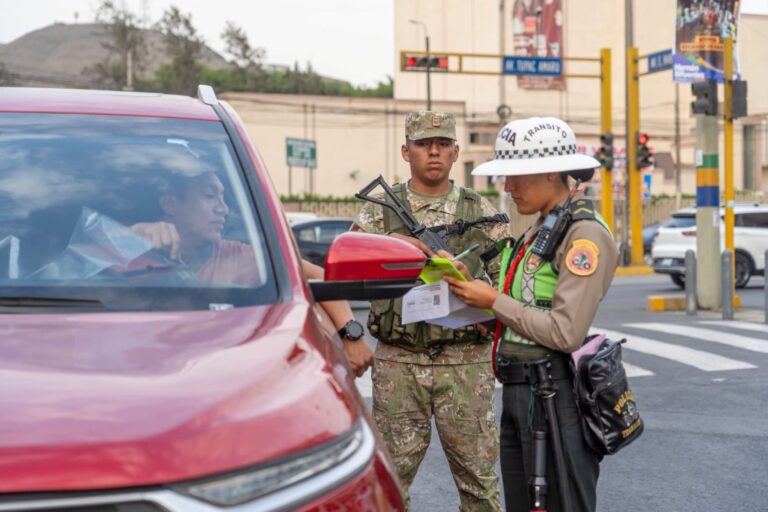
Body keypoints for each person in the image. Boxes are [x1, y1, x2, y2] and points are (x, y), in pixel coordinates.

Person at [443, 116, 619, 512]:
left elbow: (565, 332)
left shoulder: (583, 235)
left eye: (517, 175)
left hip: (554, 396)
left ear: (553, 172)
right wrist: (464, 290)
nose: (508, 187)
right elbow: (522, 311)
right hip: (521, 392)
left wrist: (492, 300)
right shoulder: (539, 230)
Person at [352, 111, 508, 511]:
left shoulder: (481, 211)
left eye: (442, 144)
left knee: (480, 487)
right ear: (406, 151)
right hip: (399, 363)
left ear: (456, 151)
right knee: (388, 484)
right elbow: (350, 272)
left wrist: (468, 283)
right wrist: (393, 247)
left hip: (465, 362)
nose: (433, 151)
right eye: (423, 144)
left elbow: (508, 288)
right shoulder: (378, 213)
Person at [131, 170, 373, 377]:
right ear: (171, 204)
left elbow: (316, 277)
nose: (223, 209)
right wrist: (129, 242)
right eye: (208, 196)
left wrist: (351, 335)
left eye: (223, 198)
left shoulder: (239, 257)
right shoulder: (131, 248)